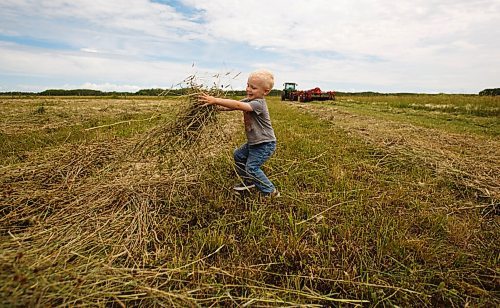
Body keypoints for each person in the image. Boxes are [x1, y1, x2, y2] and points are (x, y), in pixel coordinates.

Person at [198, 69, 279, 197]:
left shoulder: (259, 104)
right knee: (239, 155)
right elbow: (232, 106)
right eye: (248, 85)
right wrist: (214, 108)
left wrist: (215, 99)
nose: (248, 89)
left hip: (265, 144)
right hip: (254, 143)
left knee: (252, 167)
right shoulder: (248, 100)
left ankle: (270, 192)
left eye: (253, 87)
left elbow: (237, 105)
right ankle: (248, 181)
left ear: (265, 92)